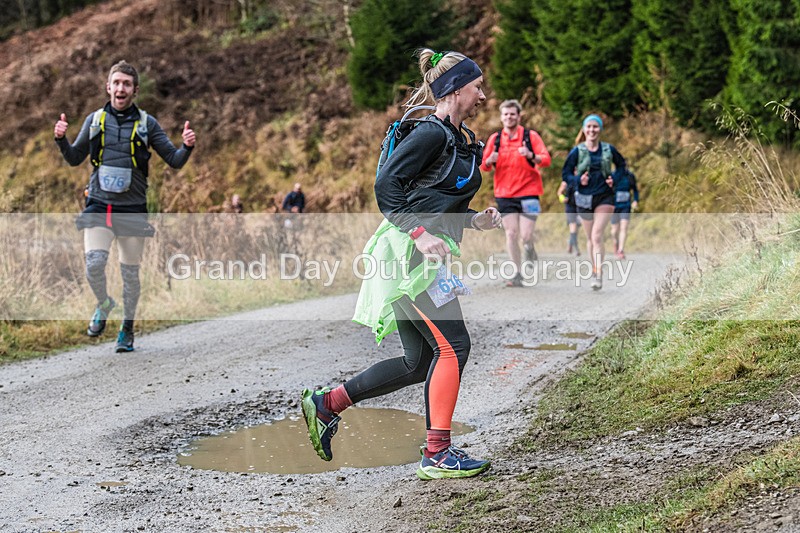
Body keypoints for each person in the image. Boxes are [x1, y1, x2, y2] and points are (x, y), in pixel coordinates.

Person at [301, 49, 500, 480]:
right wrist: (419, 234)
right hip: (410, 255)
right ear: (454, 89)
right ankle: (437, 454)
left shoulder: (455, 138)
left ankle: (328, 404)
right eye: (477, 86)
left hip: (420, 251)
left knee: (418, 361)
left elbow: (429, 202)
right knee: (454, 347)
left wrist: (474, 220)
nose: (483, 95)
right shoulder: (430, 134)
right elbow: (386, 188)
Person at [54, 60, 195, 352]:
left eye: (126, 84)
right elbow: (73, 158)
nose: (121, 88)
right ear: (108, 87)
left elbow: (175, 160)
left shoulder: (147, 124)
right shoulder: (95, 120)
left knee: (130, 274)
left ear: (135, 90)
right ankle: (104, 304)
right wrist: (61, 140)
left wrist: (188, 146)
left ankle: (127, 329)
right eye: (116, 83)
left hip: (132, 209)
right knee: (94, 265)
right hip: (98, 205)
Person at [480, 100, 551, 287]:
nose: (509, 117)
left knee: (526, 236)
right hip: (504, 194)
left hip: (529, 192)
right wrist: (488, 160)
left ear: (519, 116)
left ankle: (529, 248)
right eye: (506, 114)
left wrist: (530, 155)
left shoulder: (530, 136)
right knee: (511, 234)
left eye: (513, 114)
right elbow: (483, 166)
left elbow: (546, 160)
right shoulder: (495, 139)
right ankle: (517, 274)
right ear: (501, 116)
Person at [561, 114, 626, 290]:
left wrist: (615, 178)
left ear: (600, 129)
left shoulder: (609, 149)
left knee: (597, 235)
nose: (592, 130)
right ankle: (594, 269)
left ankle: (598, 274)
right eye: (588, 127)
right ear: (584, 129)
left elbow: (622, 166)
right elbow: (565, 173)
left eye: (595, 127)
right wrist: (577, 180)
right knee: (590, 238)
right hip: (583, 198)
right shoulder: (577, 151)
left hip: (605, 196)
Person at [610, 168, 639, 259]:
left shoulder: (630, 176)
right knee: (614, 230)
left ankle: (621, 250)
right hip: (614, 206)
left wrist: (635, 200)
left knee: (624, 227)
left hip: (626, 205)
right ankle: (616, 243)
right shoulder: (612, 175)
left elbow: (635, 189)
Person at [556, 179, 581, 256]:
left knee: (577, 227)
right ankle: (576, 249)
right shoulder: (566, 181)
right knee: (573, 226)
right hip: (570, 207)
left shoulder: (582, 179)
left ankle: (570, 242)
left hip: (580, 207)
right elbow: (559, 192)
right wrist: (562, 198)